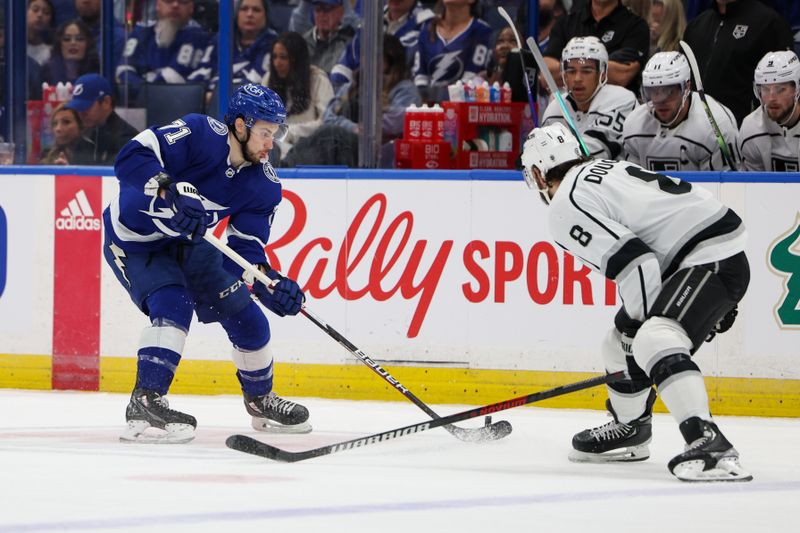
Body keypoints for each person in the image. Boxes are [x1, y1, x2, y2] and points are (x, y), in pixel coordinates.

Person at [519, 122, 751, 483]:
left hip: (707, 257)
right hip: (704, 254)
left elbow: (639, 265)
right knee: (617, 340)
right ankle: (631, 428)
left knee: (652, 338)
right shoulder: (601, 168)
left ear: (537, 171)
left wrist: (638, 348)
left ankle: (710, 442)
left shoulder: (565, 204)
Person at [104, 83, 309, 443]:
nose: (270, 143)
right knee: (172, 304)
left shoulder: (263, 185)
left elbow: (243, 252)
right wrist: (169, 188)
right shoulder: (198, 134)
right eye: (264, 132)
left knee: (248, 318)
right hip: (137, 241)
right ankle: (145, 400)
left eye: (274, 134)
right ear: (241, 126)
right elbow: (130, 157)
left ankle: (260, 399)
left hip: (192, 243)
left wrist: (266, 281)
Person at [286, 33, 422, 167]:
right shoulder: (352, 86)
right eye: (365, 56)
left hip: (377, 153)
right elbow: (328, 116)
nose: (367, 61)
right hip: (345, 146)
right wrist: (353, 127)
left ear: (391, 60)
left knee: (332, 135)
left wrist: (366, 126)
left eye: (375, 57)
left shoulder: (405, 89)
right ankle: (286, 167)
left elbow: (398, 121)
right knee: (323, 136)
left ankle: (286, 167)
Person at [622, 51, 739, 171]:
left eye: (669, 91)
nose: (660, 100)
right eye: (653, 91)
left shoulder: (716, 126)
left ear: (687, 87)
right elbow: (633, 183)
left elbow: (722, 186)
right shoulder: (634, 125)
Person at [682, 0, 793, 125]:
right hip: (694, 132)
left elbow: (785, 90)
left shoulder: (769, 24)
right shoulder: (696, 26)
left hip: (745, 133)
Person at [541, 36, 637, 159]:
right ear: (564, 75)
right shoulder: (554, 109)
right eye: (571, 71)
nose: (577, 79)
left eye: (586, 71)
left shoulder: (622, 100)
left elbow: (595, 153)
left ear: (602, 74)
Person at [543, 0, 649, 93]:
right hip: (570, 110)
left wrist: (569, 67)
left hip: (617, 110)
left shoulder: (636, 26)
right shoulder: (566, 23)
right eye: (573, 70)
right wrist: (598, 68)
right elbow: (546, 74)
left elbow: (621, 75)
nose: (578, 77)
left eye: (586, 70)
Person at [115, 0, 210, 101]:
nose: (175, 5)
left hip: (174, 104)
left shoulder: (198, 36)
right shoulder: (141, 32)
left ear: (191, 7)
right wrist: (140, 88)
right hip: (137, 104)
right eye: (168, 1)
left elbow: (174, 76)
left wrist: (141, 90)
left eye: (183, 1)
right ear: (158, 4)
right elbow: (123, 69)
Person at [262, 31, 334, 162]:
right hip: (273, 148)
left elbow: (328, 122)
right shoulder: (268, 79)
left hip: (309, 149)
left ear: (297, 59)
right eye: (274, 57)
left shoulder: (318, 79)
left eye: (283, 57)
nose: (277, 63)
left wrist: (292, 131)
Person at [330, 0, 435, 87]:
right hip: (362, 103)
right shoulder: (371, 22)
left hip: (403, 102)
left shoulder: (428, 26)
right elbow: (343, 67)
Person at [188, 0, 278, 97]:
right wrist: (198, 95)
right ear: (236, 14)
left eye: (256, 10)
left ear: (266, 16)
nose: (249, 14)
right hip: (209, 100)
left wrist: (215, 96)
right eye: (244, 9)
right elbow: (201, 73)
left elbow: (257, 82)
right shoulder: (221, 40)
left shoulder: (273, 44)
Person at [412, 0, 493, 103]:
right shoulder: (427, 28)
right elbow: (420, 75)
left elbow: (472, 76)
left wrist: (446, 99)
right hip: (427, 104)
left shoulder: (481, 31)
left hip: (461, 104)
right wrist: (424, 102)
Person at [739, 51, 800, 172]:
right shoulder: (751, 129)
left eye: (780, 89)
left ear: (797, 89)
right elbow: (752, 186)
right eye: (765, 89)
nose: (771, 98)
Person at [66, 73, 139, 165]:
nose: (81, 113)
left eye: (86, 106)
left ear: (106, 102)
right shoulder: (83, 138)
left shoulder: (127, 140)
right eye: (79, 108)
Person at [300, 0, 356, 75]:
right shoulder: (302, 43)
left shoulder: (349, 44)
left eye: (327, 9)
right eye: (318, 10)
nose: (322, 15)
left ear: (341, 12)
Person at [40, 19, 100, 85]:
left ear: (88, 44)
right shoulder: (47, 71)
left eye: (79, 39)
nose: (73, 43)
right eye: (67, 39)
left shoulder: (97, 71)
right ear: (59, 44)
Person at [27, 0, 55, 66]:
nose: (40, 15)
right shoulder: (11, 45)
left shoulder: (51, 52)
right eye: (35, 10)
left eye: (46, 12)